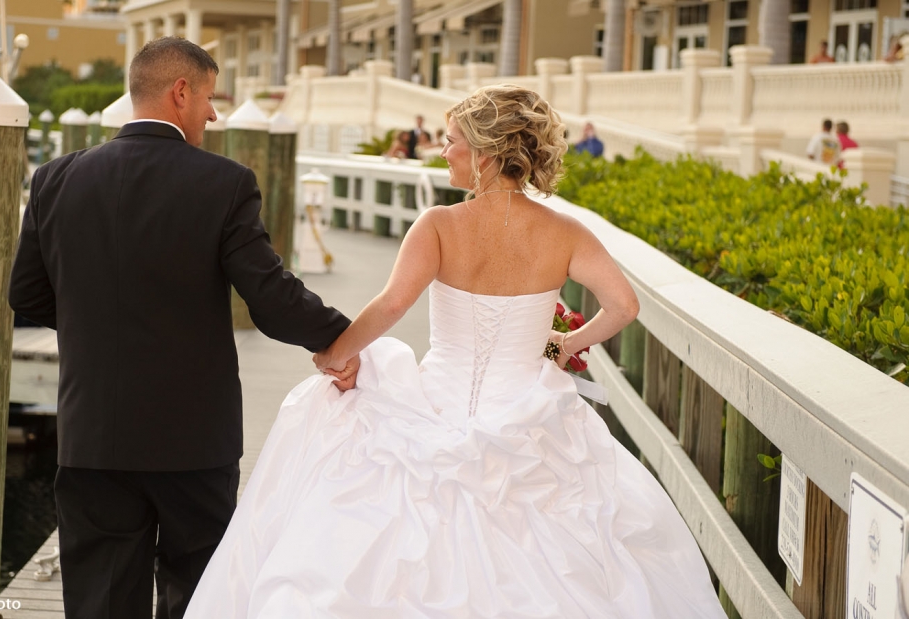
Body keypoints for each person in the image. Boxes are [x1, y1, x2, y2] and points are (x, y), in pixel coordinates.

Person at [184, 85, 728, 618]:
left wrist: (336, 353)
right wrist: (564, 346)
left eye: (451, 141)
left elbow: (393, 304)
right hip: (530, 413)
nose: (442, 152)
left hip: (436, 404)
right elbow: (624, 306)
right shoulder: (565, 232)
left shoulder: (440, 225)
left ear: (486, 153)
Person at [8, 37, 356, 619]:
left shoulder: (54, 179)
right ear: (180, 92)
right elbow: (269, 297)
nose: (214, 113)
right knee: (198, 597)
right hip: (193, 440)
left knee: (98, 602)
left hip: (93, 432)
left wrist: (95, 319)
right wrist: (343, 340)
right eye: (210, 98)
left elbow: (26, 295)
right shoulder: (224, 183)